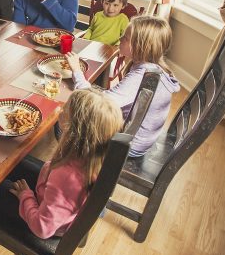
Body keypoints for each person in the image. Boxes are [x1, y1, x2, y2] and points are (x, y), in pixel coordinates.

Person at [4, 89, 123, 239]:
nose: (61, 109)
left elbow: (42, 229)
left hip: (47, 225)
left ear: (73, 128)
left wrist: (26, 197)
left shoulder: (65, 175)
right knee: (10, 164)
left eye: (65, 108)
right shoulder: (97, 155)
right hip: (60, 209)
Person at [67, 15, 180, 157]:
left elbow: (96, 103)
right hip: (140, 137)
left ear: (140, 45)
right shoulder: (155, 68)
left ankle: (75, 163)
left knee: (70, 112)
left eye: (125, 37)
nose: (120, 38)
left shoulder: (141, 76)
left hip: (128, 145)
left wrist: (77, 71)